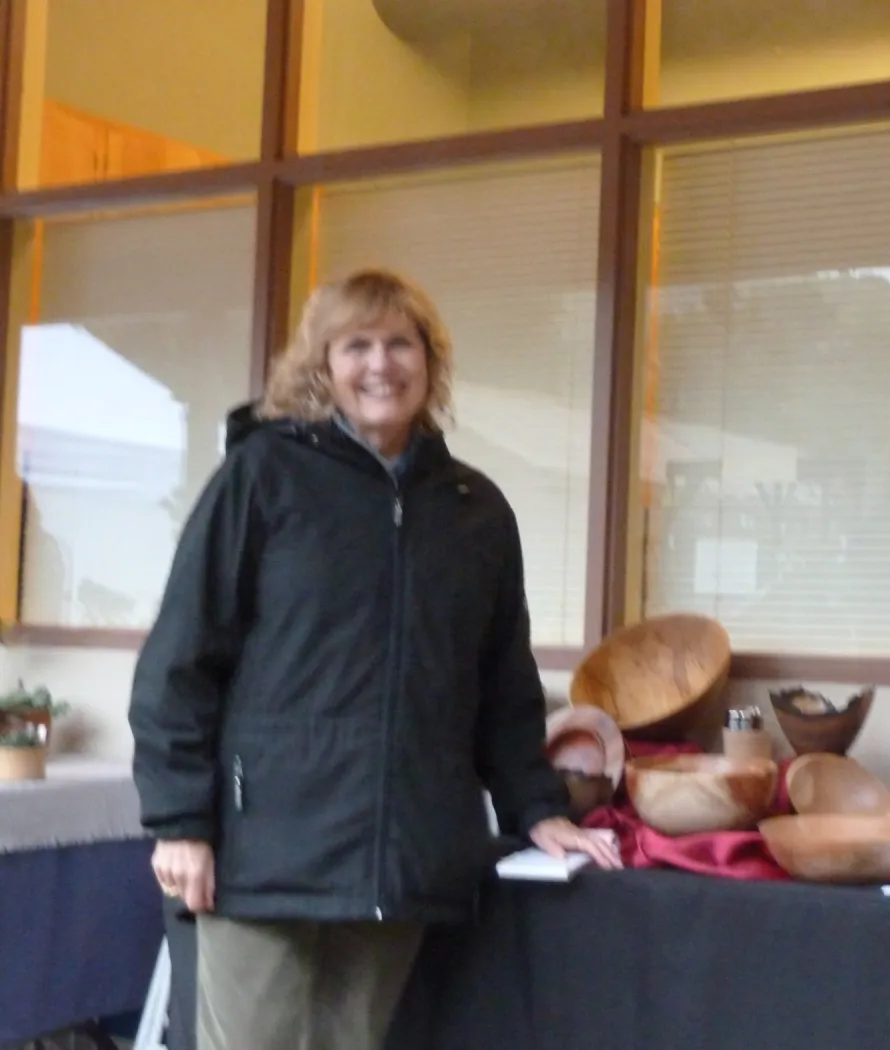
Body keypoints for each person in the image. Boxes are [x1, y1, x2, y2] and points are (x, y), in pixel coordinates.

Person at [128, 267, 621, 1050]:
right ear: (322, 364)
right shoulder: (263, 476)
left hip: (405, 860)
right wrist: (181, 821)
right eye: (355, 345)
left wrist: (538, 809)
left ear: (430, 362)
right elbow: (181, 658)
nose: (380, 364)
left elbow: (502, 683)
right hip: (266, 856)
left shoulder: (475, 510)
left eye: (400, 343)